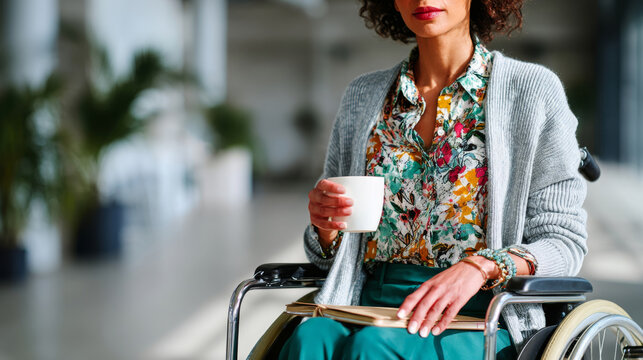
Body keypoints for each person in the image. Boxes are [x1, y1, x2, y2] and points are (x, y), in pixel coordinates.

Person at [279, 0, 588, 359]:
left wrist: (482, 266)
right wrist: (326, 228)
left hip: (482, 315)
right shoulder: (363, 97)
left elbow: (564, 243)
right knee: (309, 339)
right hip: (368, 306)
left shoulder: (532, 91)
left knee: (372, 347)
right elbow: (326, 257)